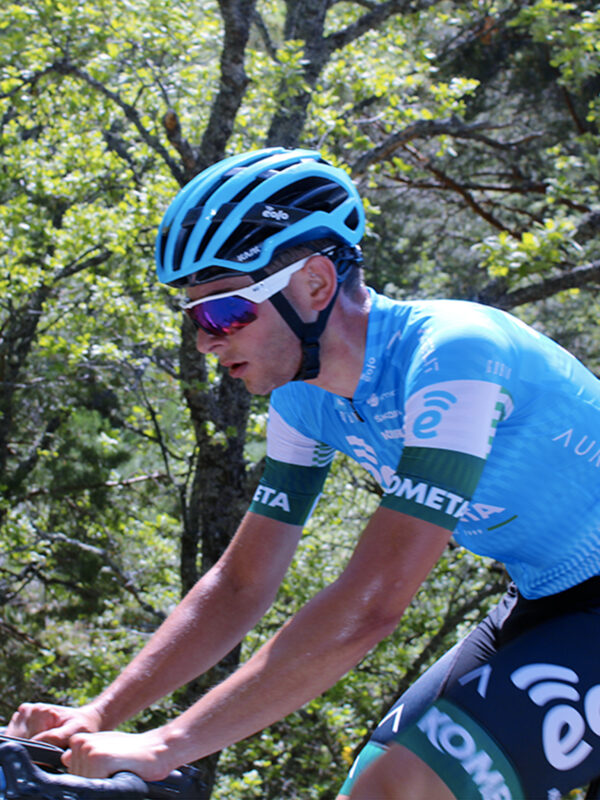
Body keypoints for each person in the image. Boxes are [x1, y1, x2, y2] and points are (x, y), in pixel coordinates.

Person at [7, 147, 600, 799]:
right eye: (194, 316)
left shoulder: (456, 357)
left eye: (225, 311)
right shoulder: (303, 401)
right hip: (546, 598)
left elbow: (374, 603)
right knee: (367, 786)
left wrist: (168, 745)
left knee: (402, 790)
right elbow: (241, 583)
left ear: (316, 284)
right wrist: (98, 715)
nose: (206, 339)